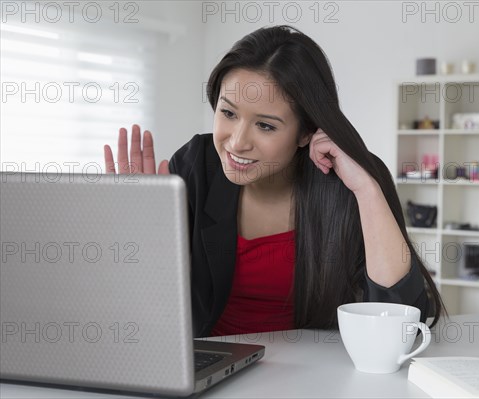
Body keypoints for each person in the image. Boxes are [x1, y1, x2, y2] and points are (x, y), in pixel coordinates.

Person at [104, 25, 445, 338]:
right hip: (210, 366)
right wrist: (137, 234)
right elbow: (150, 309)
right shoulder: (195, 166)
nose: (237, 142)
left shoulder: (349, 180)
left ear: (306, 132)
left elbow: (406, 325)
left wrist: (367, 191)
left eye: (265, 126)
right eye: (228, 113)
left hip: (316, 376)